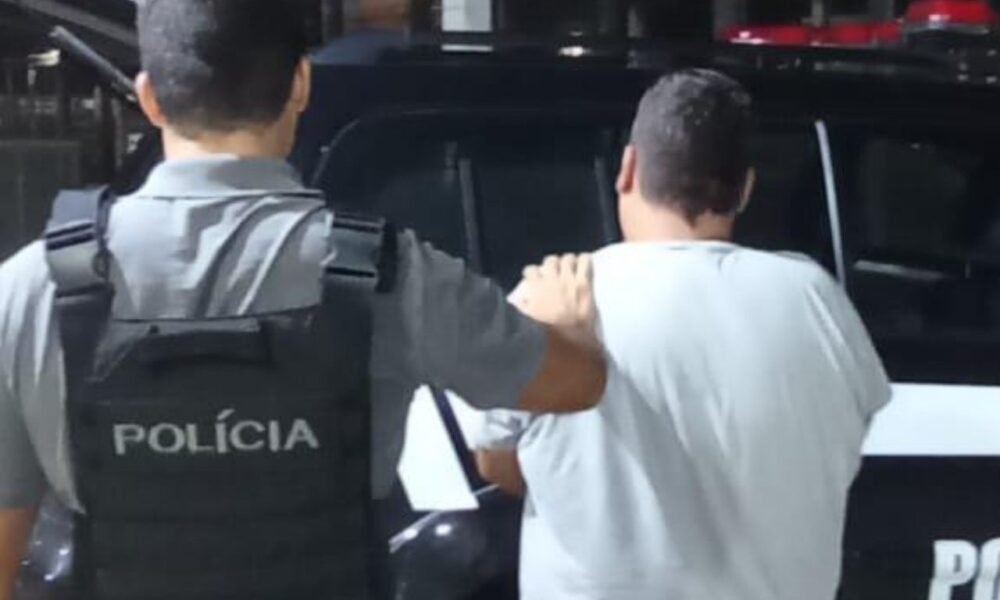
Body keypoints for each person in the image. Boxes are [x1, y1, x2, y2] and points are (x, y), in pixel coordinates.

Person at [0, 1, 606, 598]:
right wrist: (568, 317)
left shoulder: (35, 287)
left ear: (150, 97)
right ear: (300, 84)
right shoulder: (390, 274)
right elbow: (574, 384)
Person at [476, 69, 892, 600]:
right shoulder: (818, 300)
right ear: (745, 188)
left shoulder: (556, 295)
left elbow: (496, 461)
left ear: (628, 168)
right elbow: (842, 446)